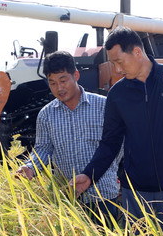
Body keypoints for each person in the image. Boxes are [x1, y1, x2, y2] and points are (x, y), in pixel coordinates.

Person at [70, 26, 163, 232]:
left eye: (119, 62)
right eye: (113, 64)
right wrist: (89, 174)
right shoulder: (117, 95)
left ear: (137, 52)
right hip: (135, 194)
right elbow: (110, 143)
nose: (117, 70)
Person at [15, 50, 120, 226]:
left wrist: (106, 172)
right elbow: (43, 148)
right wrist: (30, 167)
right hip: (67, 196)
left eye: (63, 80)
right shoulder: (46, 115)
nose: (59, 88)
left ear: (76, 75)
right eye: (53, 83)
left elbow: (117, 145)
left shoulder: (104, 106)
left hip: (102, 194)